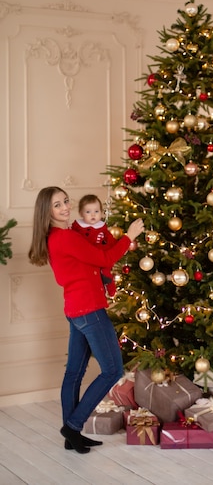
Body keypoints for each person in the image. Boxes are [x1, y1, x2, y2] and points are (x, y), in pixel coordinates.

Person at [28, 187, 144, 454]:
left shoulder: (59, 237)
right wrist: (129, 236)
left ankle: (72, 435)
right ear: (47, 212)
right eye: (58, 205)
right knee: (113, 370)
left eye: (66, 201)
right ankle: (73, 425)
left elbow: (92, 260)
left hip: (75, 310)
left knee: (74, 373)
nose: (66, 207)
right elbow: (104, 258)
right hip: (89, 311)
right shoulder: (65, 238)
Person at [72, 194, 117, 297]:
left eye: (96, 211)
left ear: (101, 212)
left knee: (106, 272)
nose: (93, 215)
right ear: (81, 213)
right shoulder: (78, 228)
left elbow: (110, 240)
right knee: (92, 278)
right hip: (88, 258)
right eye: (88, 212)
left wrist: (116, 245)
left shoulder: (102, 227)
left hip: (102, 256)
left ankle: (110, 289)